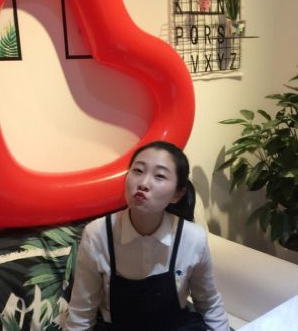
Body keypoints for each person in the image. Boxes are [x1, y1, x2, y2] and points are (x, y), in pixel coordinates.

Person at [67, 141, 229, 331]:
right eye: (138, 171)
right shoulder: (97, 234)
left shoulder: (193, 238)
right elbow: (81, 314)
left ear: (177, 194)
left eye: (159, 175)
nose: (143, 183)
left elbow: (209, 303)